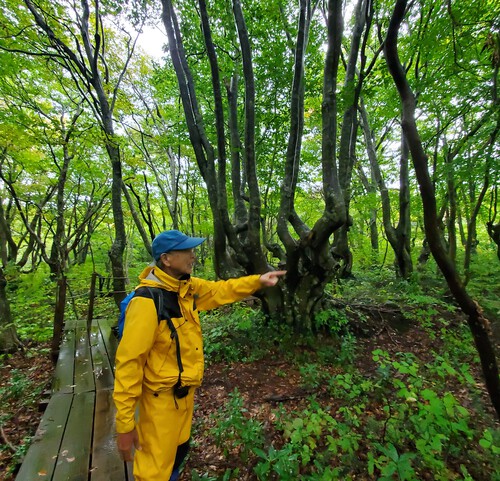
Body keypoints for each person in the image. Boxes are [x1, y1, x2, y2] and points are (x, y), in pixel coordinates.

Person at [113, 230, 286, 481]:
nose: (193, 255)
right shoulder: (147, 302)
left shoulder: (187, 288)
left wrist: (258, 281)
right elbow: (129, 364)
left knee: (178, 453)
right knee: (153, 471)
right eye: (187, 251)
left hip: (185, 395)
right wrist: (125, 425)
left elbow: (221, 290)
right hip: (160, 404)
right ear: (166, 259)